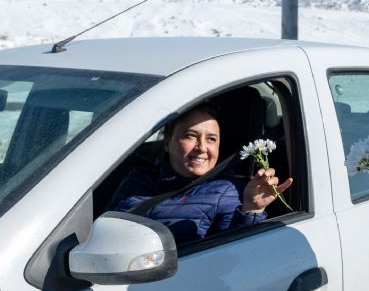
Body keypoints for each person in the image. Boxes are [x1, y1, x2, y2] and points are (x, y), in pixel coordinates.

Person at [108, 101, 293, 244]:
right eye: (190, 136)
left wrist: (252, 210)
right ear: (167, 143)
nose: (202, 147)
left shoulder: (228, 191)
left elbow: (234, 255)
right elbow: (107, 230)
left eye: (211, 139)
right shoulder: (138, 177)